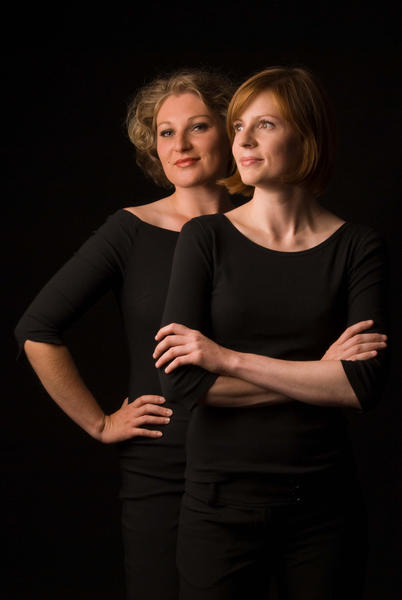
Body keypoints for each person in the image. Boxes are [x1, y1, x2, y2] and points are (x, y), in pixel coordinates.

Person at [153, 66, 388, 599]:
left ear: (306, 136)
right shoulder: (205, 237)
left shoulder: (358, 247)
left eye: (265, 125)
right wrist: (319, 375)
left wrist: (227, 359)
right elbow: (181, 384)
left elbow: (363, 386)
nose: (243, 141)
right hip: (219, 505)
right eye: (238, 126)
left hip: (324, 508)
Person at [14, 68, 236, 600]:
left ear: (231, 132)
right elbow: (37, 329)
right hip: (163, 469)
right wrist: (99, 422)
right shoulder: (129, 230)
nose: (180, 145)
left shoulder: (266, 224)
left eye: (198, 126)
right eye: (165, 132)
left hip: (256, 461)